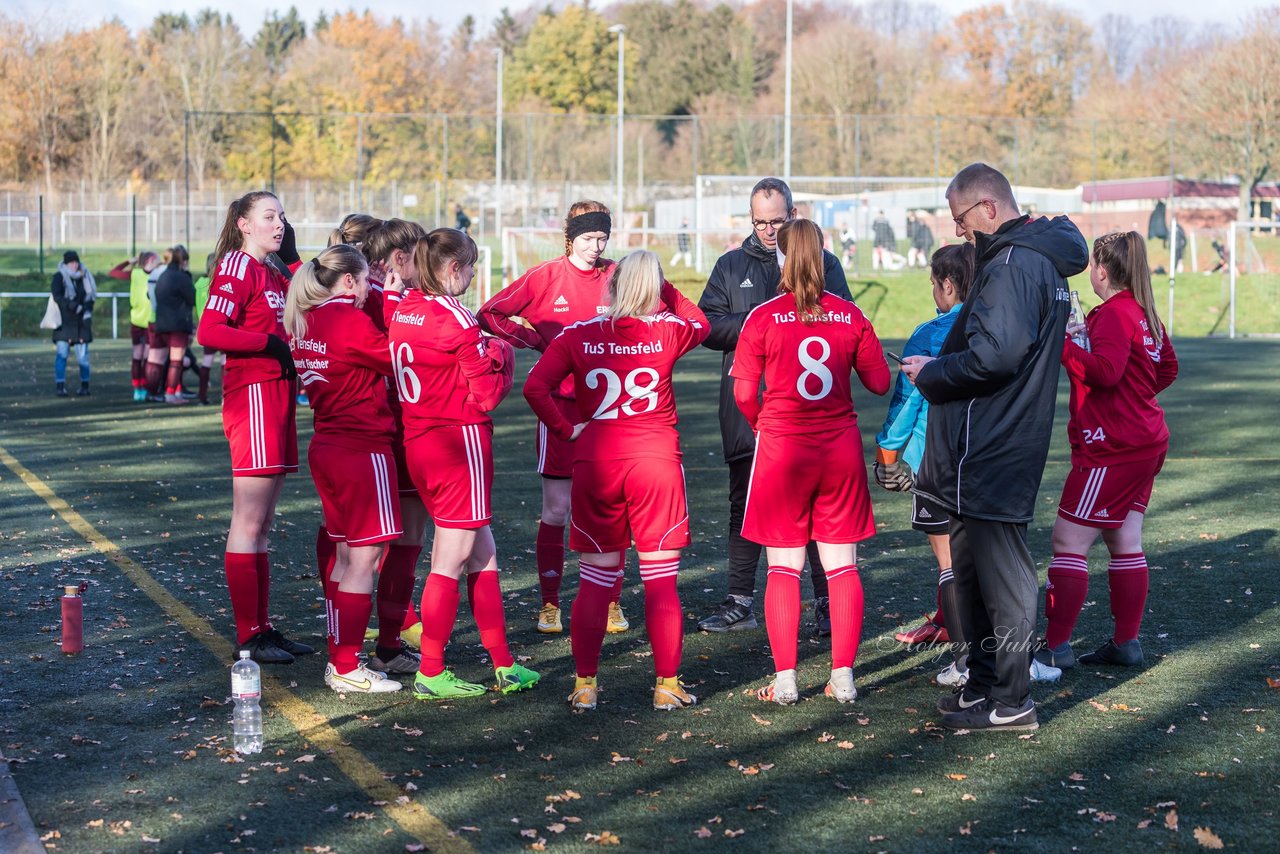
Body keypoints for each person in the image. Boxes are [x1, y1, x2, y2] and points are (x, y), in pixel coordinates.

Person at [902, 162, 1087, 732]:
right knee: (974, 571)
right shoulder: (1033, 258)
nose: (960, 234)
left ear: (988, 207)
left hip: (994, 441)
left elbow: (996, 357)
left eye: (961, 220)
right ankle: (984, 685)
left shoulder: (1013, 262)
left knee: (1001, 574)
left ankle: (1012, 699)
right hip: (986, 440)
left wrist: (933, 371)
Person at [523, 250, 709, 712]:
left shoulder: (578, 334)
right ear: (652, 287)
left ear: (613, 286)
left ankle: (585, 685)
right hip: (656, 465)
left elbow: (534, 387)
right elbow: (700, 322)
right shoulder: (667, 330)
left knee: (595, 581)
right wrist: (661, 288)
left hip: (597, 464)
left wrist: (567, 430)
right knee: (660, 582)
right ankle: (666, 686)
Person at [731, 220, 889, 704]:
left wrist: (763, 421)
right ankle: (843, 676)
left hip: (782, 450)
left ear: (781, 257)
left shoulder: (762, 316)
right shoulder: (851, 314)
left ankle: (785, 681)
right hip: (837, 449)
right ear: (822, 257)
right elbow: (880, 384)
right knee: (841, 566)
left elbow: (742, 393)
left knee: (784, 566)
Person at [386, 227, 540, 700]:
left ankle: (504, 663)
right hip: (459, 444)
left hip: (420, 442)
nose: (473, 276)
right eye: (470, 267)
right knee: (448, 562)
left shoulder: (405, 308)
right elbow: (487, 394)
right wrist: (504, 353)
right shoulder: (455, 317)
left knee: (483, 554)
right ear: (454, 269)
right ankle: (431, 671)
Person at [695, 177, 849, 635]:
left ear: (793, 213)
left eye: (776, 221)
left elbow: (843, 317)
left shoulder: (825, 262)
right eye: (759, 221)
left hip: (807, 411)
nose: (766, 230)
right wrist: (761, 321)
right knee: (742, 503)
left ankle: (824, 605)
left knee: (815, 508)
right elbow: (707, 326)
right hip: (746, 404)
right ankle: (740, 600)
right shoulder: (730, 265)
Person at [478, 201, 629, 636]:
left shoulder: (617, 274)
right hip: (560, 408)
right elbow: (490, 313)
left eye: (602, 238)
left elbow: (649, 314)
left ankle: (613, 600)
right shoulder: (546, 276)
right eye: (587, 239)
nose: (595, 247)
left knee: (609, 507)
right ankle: (549, 604)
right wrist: (535, 340)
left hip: (608, 409)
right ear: (570, 238)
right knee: (557, 509)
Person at [1034, 231, 1178, 671]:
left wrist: (1062, 346)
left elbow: (1108, 372)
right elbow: (1166, 367)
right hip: (1146, 440)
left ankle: (1054, 649)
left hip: (1113, 447)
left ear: (1100, 270)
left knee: (1068, 542)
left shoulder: (1115, 314)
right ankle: (1125, 643)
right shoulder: (1142, 311)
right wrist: (1136, 398)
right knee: (1124, 538)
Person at [196, 191, 313, 665]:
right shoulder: (236, 266)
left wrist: (294, 258)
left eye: (282, 216)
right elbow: (210, 331)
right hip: (253, 398)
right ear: (244, 224)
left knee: (263, 525)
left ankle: (263, 627)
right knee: (248, 522)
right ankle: (249, 634)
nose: (279, 223)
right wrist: (267, 342)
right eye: (269, 217)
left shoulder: (273, 271)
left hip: (279, 396)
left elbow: (314, 296)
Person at [284, 243, 403, 694]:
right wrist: (392, 303)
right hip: (361, 447)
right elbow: (397, 357)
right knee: (364, 558)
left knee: (344, 557)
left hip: (329, 446)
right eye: (367, 281)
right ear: (349, 281)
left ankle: (340, 656)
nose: (370, 288)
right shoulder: (349, 320)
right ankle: (348, 666)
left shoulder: (305, 319)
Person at [327, 214, 424, 676]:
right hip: (389, 432)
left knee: (394, 542)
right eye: (420, 256)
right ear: (399, 259)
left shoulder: (373, 296)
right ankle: (351, 655)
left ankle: (381, 646)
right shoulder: (375, 300)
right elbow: (400, 357)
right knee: (374, 548)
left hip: (384, 432)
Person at [876, 244, 972, 675]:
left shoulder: (931, 332)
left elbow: (905, 405)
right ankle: (1000, 649)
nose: (934, 291)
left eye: (935, 283)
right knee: (986, 556)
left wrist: (888, 458)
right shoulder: (995, 326)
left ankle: (968, 661)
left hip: (934, 458)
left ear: (947, 285)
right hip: (986, 454)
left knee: (951, 562)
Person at [108, 251, 160, 401]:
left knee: (148, 357)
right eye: (156, 260)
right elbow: (113, 272)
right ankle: (137, 388)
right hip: (138, 322)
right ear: (150, 260)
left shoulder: (158, 273)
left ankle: (146, 386)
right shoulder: (136, 273)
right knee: (137, 356)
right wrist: (129, 261)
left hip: (151, 321)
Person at [153, 245, 196, 405]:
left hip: (162, 323)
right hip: (178, 324)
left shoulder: (163, 275)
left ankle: (176, 390)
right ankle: (170, 393)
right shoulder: (182, 277)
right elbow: (192, 298)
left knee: (171, 361)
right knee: (176, 361)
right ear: (183, 261)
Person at [50, 250, 95, 397]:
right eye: (71, 262)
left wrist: (86, 309)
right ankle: (60, 385)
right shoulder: (59, 277)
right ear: (65, 264)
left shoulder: (85, 276)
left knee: (83, 356)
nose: (74, 265)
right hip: (64, 323)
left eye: (76, 262)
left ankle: (85, 385)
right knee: (61, 355)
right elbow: (57, 296)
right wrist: (73, 306)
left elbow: (90, 297)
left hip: (82, 323)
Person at [192, 253, 220, 405]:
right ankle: (225, 396)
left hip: (205, 328)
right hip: (220, 327)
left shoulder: (199, 283)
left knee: (206, 363)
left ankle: (202, 396)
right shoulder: (217, 282)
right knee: (225, 363)